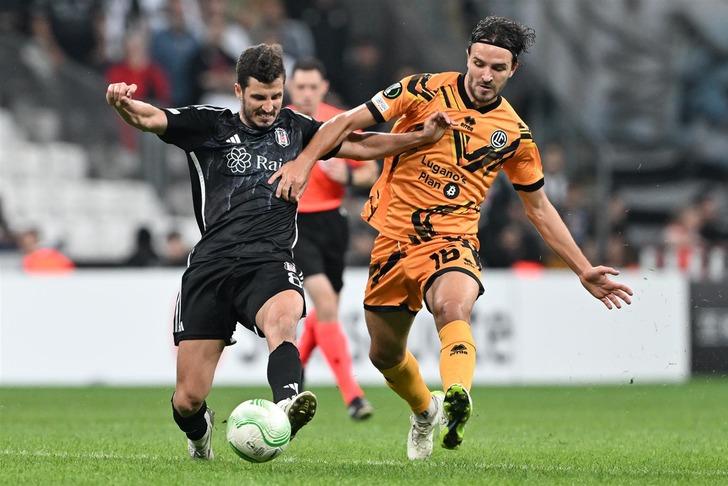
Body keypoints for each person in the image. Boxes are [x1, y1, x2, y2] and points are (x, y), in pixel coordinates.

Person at [270, 17, 635, 461]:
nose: (485, 74)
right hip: (394, 242)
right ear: (467, 57)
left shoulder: (514, 135)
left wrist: (583, 268)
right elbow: (347, 122)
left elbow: (538, 207)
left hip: (453, 239)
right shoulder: (422, 90)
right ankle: (425, 410)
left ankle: (457, 393)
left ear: (512, 70)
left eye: (497, 68)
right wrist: (304, 162)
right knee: (384, 356)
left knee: (452, 306)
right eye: (479, 63)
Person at [105, 43, 451, 460]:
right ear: (238, 91)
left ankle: (287, 402)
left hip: (269, 261)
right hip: (212, 267)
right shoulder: (208, 125)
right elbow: (150, 117)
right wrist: (123, 103)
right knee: (188, 400)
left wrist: (419, 137)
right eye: (259, 98)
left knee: (284, 316)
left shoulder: (298, 128)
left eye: (275, 96)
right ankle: (200, 435)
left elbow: (360, 145)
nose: (269, 107)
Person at [287, 58, 377, 420]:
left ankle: (296, 377)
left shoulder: (339, 121)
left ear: (323, 88)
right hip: (295, 224)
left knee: (326, 314)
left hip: (332, 224)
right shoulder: (282, 124)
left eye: (313, 87)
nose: (307, 94)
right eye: (301, 87)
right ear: (291, 89)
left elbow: (370, 169)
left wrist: (348, 177)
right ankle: (352, 396)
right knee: (323, 301)